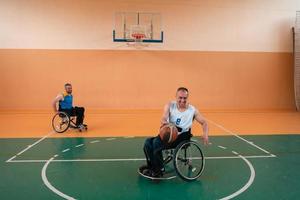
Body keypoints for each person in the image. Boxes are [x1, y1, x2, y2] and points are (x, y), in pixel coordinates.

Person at [140, 87, 209, 177]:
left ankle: (159, 169)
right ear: (176, 97)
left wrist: (205, 134)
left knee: (156, 143)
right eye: (180, 98)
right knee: (148, 142)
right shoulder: (170, 105)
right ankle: (152, 166)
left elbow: (204, 122)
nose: (182, 100)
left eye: (184, 98)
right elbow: (164, 117)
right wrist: (164, 121)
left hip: (181, 137)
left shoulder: (192, 110)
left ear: (187, 98)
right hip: (169, 133)